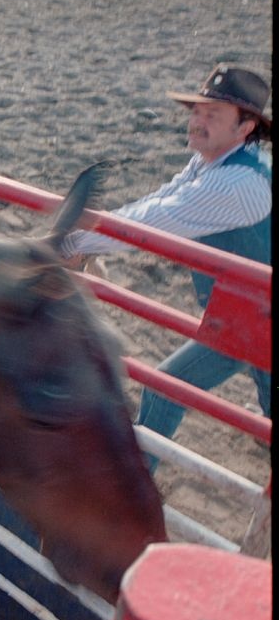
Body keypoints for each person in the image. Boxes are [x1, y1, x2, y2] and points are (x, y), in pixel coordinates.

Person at [61, 63, 271, 462]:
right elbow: (156, 203)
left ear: (245, 128)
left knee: (165, 387)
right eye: (197, 111)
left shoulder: (235, 183)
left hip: (254, 315)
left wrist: (75, 241)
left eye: (213, 115)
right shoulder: (217, 160)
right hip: (249, 301)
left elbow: (157, 223)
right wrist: (87, 235)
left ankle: (132, 494)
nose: (197, 121)